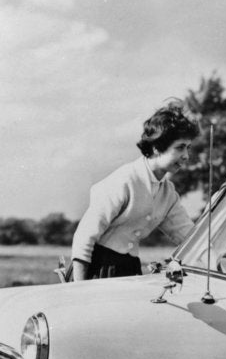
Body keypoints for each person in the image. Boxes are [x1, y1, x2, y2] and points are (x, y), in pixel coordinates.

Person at [70, 102, 198, 280]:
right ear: (157, 147)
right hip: (95, 271)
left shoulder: (168, 194)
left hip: (129, 270)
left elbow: (192, 239)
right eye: (180, 147)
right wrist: (77, 290)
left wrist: (218, 270)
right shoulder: (124, 180)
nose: (186, 156)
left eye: (188, 148)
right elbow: (84, 238)